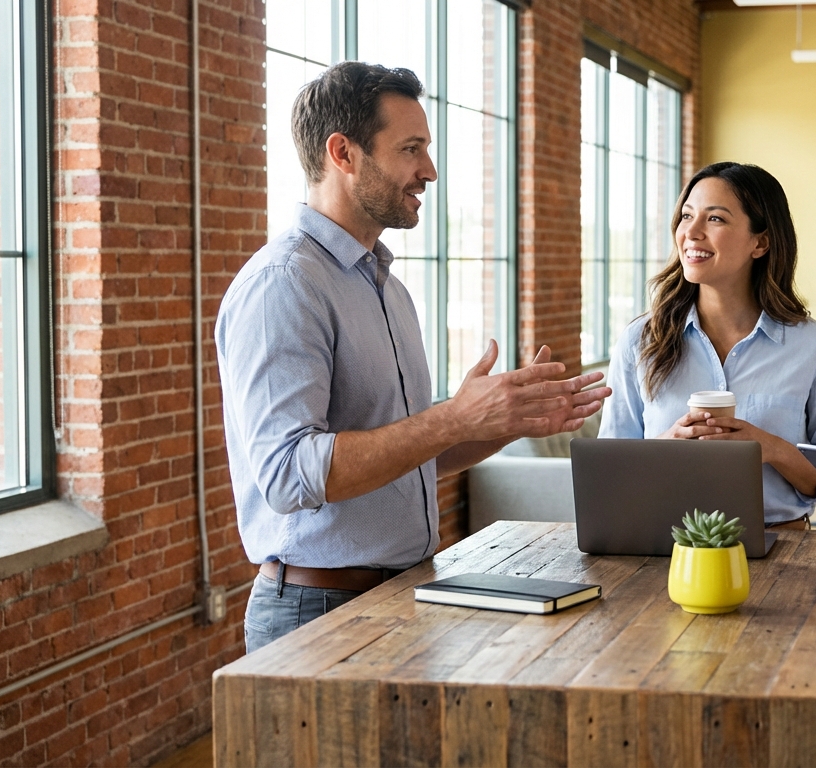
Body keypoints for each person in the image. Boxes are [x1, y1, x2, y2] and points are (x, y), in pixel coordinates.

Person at [216, 62, 611, 653]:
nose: (428, 171)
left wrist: (499, 423)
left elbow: (405, 452)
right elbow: (288, 474)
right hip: (318, 612)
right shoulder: (284, 285)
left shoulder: (385, 285)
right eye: (411, 149)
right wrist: (454, 415)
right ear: (342, 153)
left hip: (404, 593)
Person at [600, 162, 816, 528]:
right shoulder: (640, 341)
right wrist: (665, 448)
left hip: (786, 555)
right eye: (687, 216)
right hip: (663, 552)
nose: (692, 232)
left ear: (760, 242)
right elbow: (608, 476)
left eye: (715, 219)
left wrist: (771, 449)